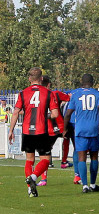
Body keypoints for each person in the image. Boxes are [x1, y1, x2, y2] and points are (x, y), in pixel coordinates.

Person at [8, 67, 60, 197]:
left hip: (27, 131)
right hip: (42, 130)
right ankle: (34, 177)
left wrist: (11, 130)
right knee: (46, 159)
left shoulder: (22, 93)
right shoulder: (48, 93)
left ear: (29, 79)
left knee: (29, 159)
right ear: (41, 79)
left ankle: (30, 190)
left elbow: (15, 112)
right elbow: (55, 114)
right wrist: (44, 115)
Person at [65, 74, 99, 193]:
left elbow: (68, 113)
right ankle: (93, 184)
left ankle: (84, 185)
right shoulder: (97, 94)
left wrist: (64, 129)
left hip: (80, 130)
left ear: (81, 82)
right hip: (94, 130)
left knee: (82, 157)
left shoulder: (75, 94)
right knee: (94, 156)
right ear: (93, 82)